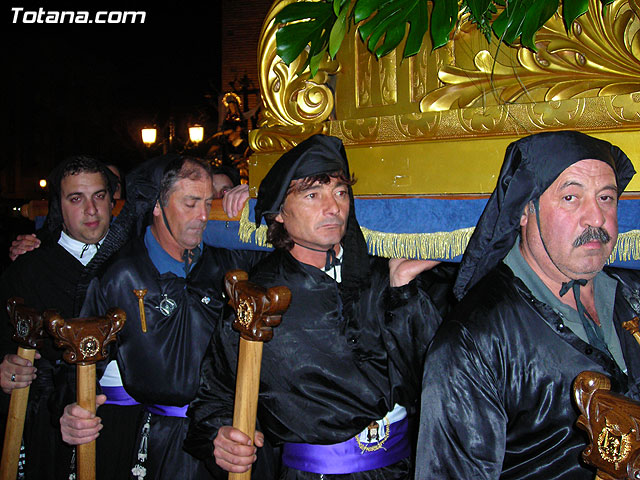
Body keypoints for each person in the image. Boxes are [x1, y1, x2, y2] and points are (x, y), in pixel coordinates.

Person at [184, 134, 444, 479]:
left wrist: (405, 295)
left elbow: (432, 380)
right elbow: (216, 393)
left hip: (401, 469)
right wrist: (219, 435)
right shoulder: (257, 297)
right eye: (312, 195)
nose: (333, 207)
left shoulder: (383, 274)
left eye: (340, 192)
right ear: (278, 212)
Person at [415, 130, 640, 479]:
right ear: (524, 210)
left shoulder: (634, 294)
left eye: (606, 198)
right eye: (570, 197)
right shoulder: (475, 341)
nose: (596, 218)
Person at [58, 155, 262, 479]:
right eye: (191, 203)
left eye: (209, 203)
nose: (204, 216)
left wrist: (256, 199)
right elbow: (79, 367)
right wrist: (71, 411)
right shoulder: (119, 277)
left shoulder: (230, 262)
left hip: (231, 436)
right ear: (157, 204)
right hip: (161, 441)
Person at [0, 155, 119, 479]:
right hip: (50, 432)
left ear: (111, 200)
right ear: (59, 206)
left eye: (99, 196)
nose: (91, 210)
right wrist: (5, 367)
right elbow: (5, 345)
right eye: (76, 199)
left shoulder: (136, 261)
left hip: (126, 428)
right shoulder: (27, 270)